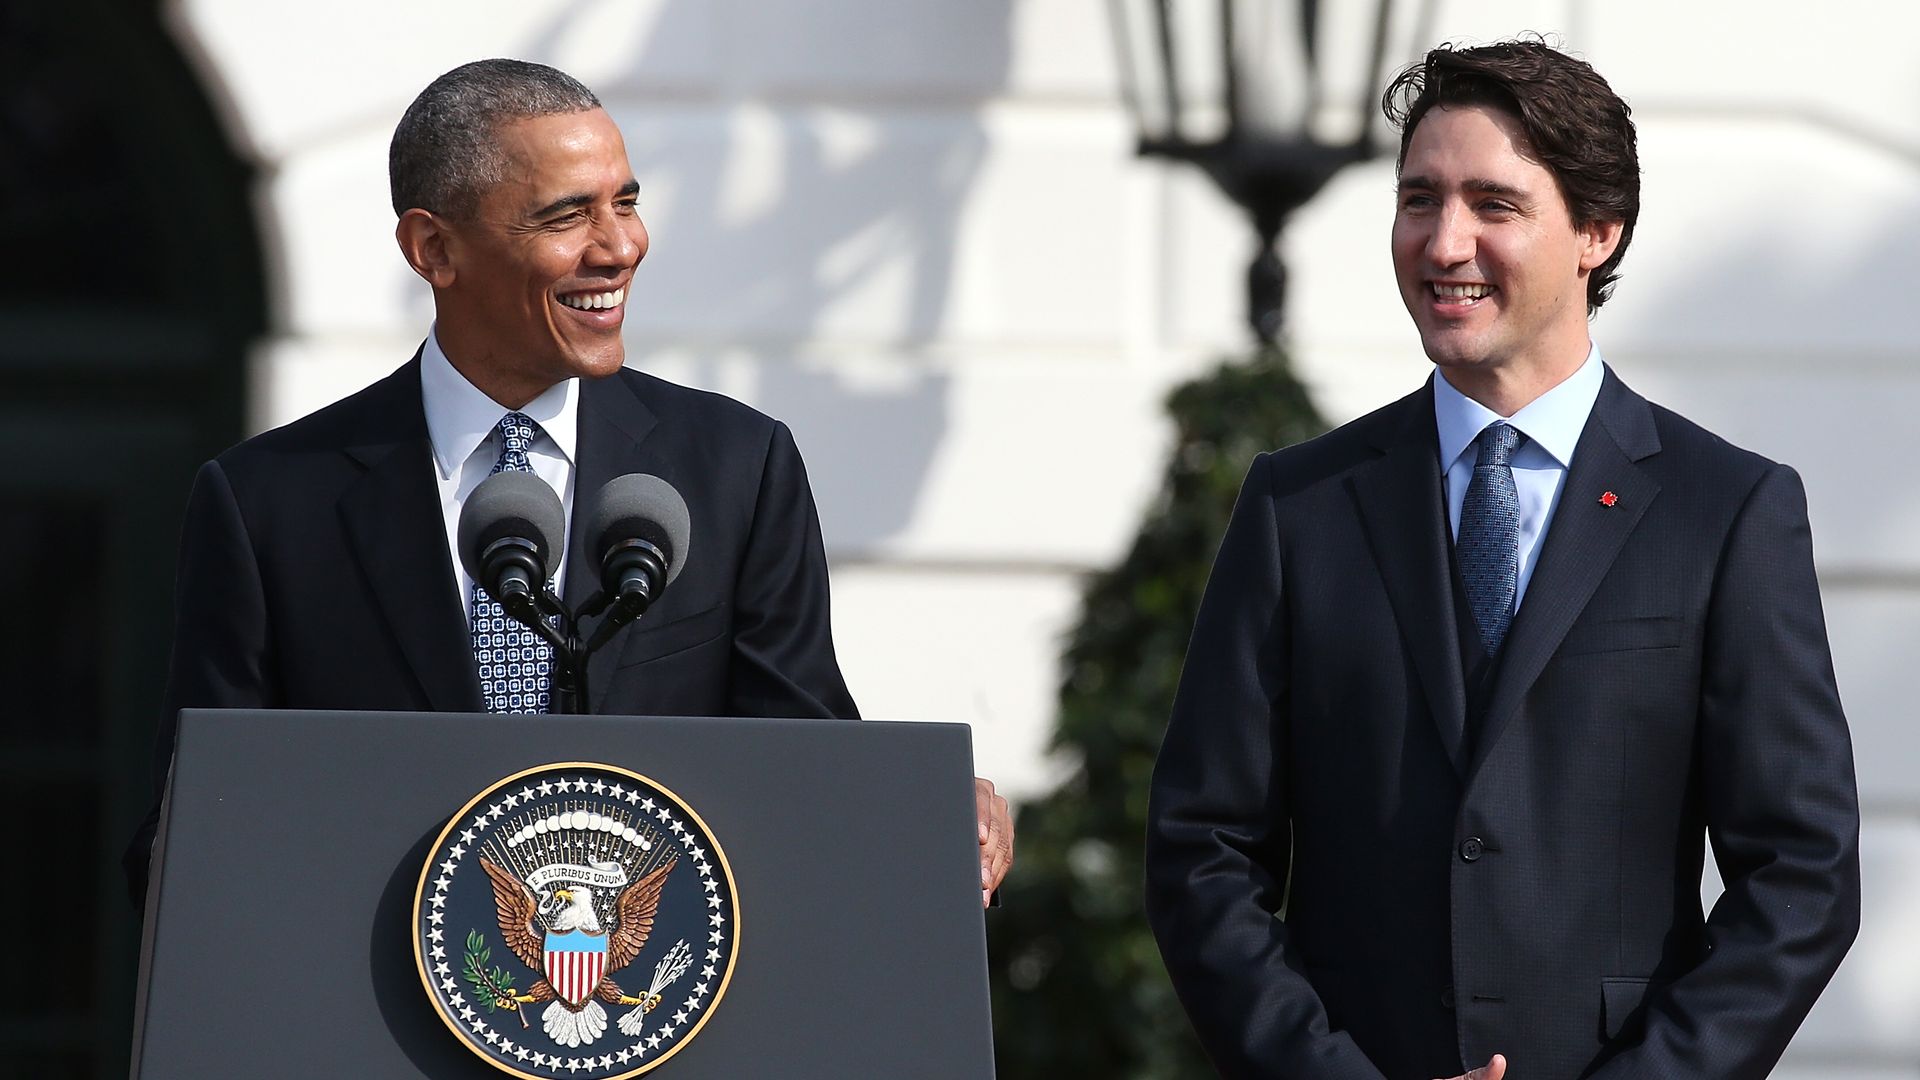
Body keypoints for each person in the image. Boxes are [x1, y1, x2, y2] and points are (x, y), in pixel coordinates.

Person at [126, 58, 1011, 908]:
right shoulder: (270, 503)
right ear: (434, 247)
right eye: (566, 215)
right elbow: (194, 830)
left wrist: (921, 813)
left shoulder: (737, 469)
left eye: (626, 201)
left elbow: (806, 768)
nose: (620, 246)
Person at [1145, 39, 1858, 1080]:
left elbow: (1801, 876)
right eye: (1419, 199)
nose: (1444, 242)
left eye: (1494, 204)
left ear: (1597, 234)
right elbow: (1202, 852)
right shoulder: (1298, 508)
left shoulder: (1728, 512)